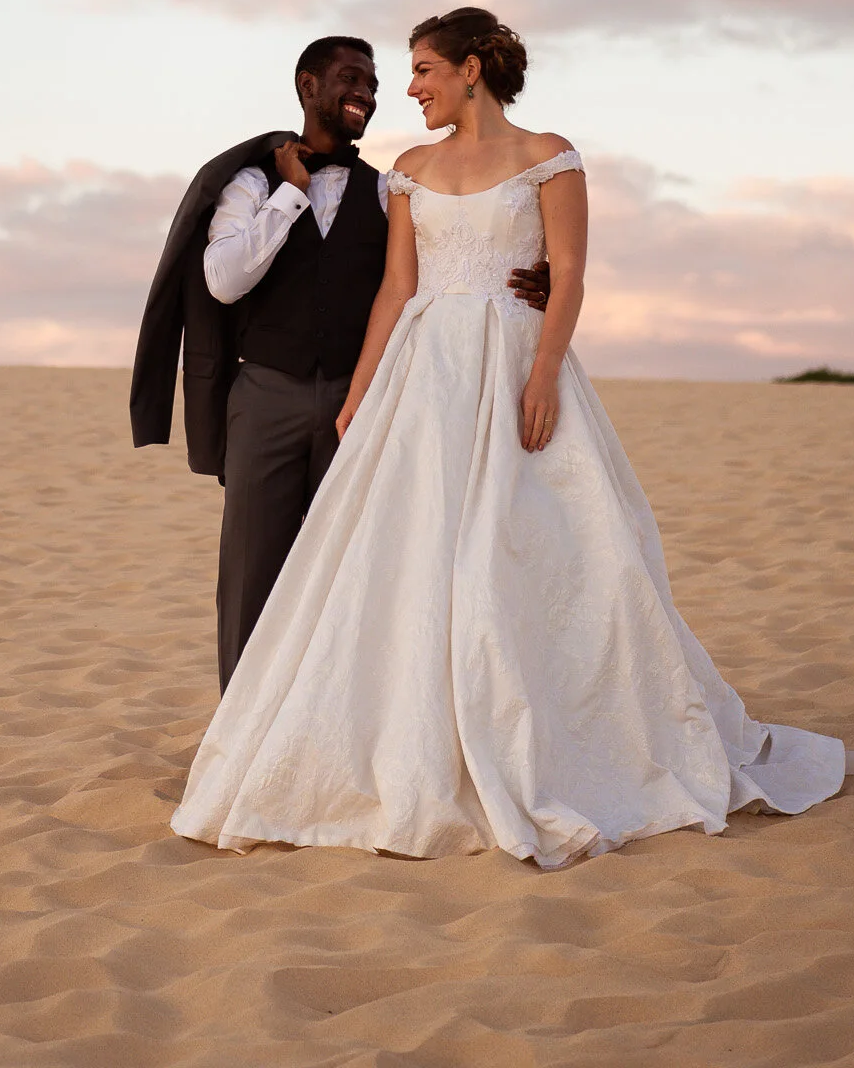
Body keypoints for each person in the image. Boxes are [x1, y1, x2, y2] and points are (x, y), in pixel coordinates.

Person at [172, 8, 854, 867]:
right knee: (414, 553)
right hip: (423, 374)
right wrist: (362, 392)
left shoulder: (548, 154)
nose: (409, 88)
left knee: (535, 547)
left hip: (515, 361)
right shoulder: (408, 170)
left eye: (424, 70)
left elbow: (571, 272)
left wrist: (543, 372)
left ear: (471, 69)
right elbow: (396, 288)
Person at [129, 34, 550, 691]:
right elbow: (222, 279)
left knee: (350, 565)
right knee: (251, 570)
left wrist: (533, 279)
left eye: (374, 84)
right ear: (307, 87)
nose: (368, 93)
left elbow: (435, 270)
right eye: (352, 78)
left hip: (362, 405)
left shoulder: (386, 190)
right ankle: (240, 728)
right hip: (264, 398)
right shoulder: (249, 183)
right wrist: (288, 196)